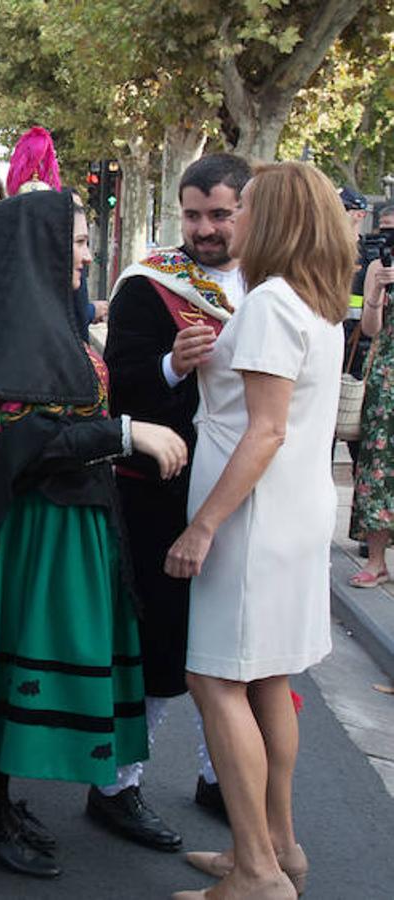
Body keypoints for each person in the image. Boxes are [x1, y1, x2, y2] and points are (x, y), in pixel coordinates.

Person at [0, 190, 187, 880]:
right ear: (35, 249)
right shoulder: (16, 325)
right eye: (71, 241)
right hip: (23, 532)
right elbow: (24, 440)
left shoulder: (47, 319)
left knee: (19, 660)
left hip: (58, 523)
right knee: (13, 659)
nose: (85, 252)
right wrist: (127, 433)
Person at [165, 162, 354, 900]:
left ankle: (254, 869)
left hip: (251, 518)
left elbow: (264, 430)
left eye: (241, 207)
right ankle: (278, 848)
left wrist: (202, 526)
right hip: (291, 511)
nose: (231, 218)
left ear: (270, 217)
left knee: (214, 677)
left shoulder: (274, 301)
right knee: (267, 677)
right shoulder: (315, 300)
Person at [102, 152, 252, 843]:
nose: (204, 229)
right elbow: (121, 390)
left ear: (246, 210)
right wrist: (171, 364)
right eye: (193, 214)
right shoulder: (147, 285)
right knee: (159, 645)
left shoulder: (272, 280)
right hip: (162, 493)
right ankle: (116, 786)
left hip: (248, 491)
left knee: (242, 646)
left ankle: (220, 778)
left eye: (219, 213)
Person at [349, 219, 394, 586]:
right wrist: (377, 293)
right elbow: (371, 327)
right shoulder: (378, 268)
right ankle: (376, 560)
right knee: (378, 464)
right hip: (386, 377)